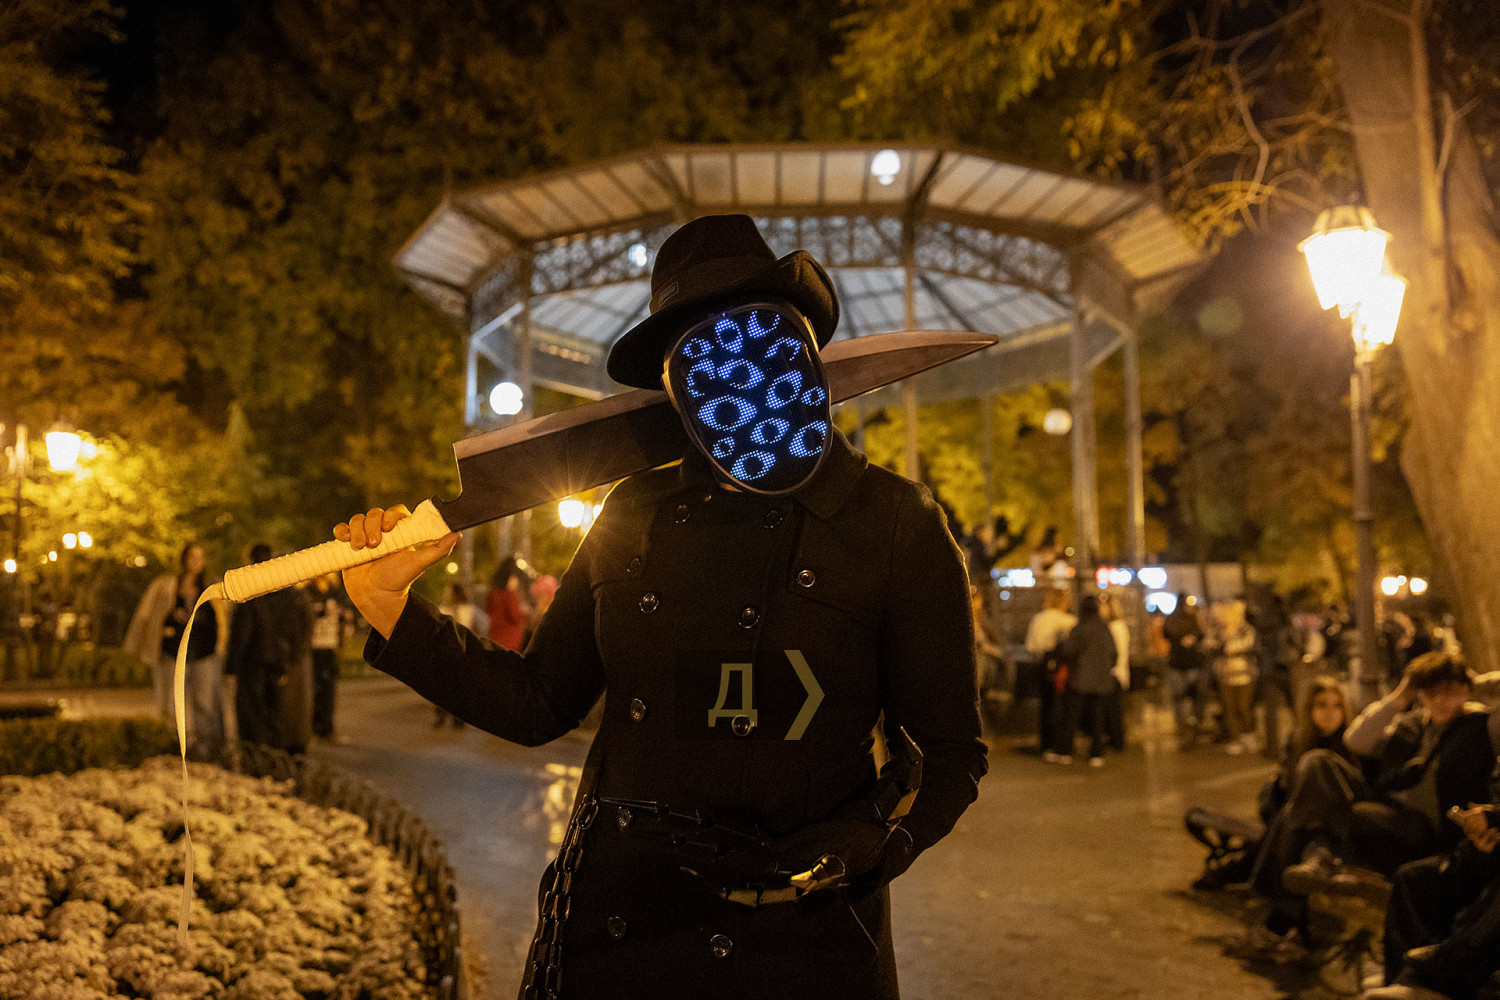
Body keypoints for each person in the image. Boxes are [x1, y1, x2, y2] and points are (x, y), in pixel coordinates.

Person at [333, 214, 988, 999]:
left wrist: (872, 840)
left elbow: (946, 754)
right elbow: (539, 701)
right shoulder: (631, 511)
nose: (738, 376)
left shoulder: (894, 522)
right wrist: (390, 608)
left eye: (758, 339)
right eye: (701, 354)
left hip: (798, 946)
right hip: (618, 931)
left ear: (805, 351)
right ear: (675, 385)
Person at [1252, 652, 1498, 922]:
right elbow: (1357, 740)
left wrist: (1478, 684)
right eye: (1431, 692)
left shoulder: (1479, 725)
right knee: (1317, 762)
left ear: (1466, 689)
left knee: (1302, 812)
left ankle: (1285, 907)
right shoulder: (1413, 724)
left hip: (1423, 828)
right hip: (1388, 809)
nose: (1440, 700)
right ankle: (1317, 863)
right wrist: (1401, 696)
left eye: (1449, 691)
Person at [123, 542, 225, 761]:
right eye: (192, 557)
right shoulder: (165, 585)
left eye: (200, 557)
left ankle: (205, 750)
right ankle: (172, 745)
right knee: (170, 701)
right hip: (173, 651)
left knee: (205, 703)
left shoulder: (211, 587)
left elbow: (220, 619)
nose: (196, 562)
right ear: (183, 559)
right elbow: (147, 614)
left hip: (203, 652)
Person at [226, 543, 313, 753]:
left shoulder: (250, 595)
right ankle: (277, 759)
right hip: (281, 663)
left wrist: (231, 667)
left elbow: (242, 634)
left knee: (253, 717)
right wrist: (292, 658)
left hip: (253, 664)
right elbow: (301, 630)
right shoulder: (290, 594)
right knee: (277, 715)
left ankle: (257, 759)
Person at [1057, 595, 1118, 767]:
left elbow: (1068, 651)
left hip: (1080, 680)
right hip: (1102, 681)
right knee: (1097, 718)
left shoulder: (1080, 628)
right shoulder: (1104, 628)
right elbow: (1113, 653)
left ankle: (1065, 751)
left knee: (1072, 717)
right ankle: (1096, 753)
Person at [1025, 587, 1077, 762]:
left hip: (1042, 667)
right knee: (1063, 708)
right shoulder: (1070, 621)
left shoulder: (1038, 619)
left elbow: (1030, 647)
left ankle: (1046, 745)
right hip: (1064, 669)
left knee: (1046, 707)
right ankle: (1062, 745)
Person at [1212, 599, 1259, 755]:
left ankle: (1248, 735)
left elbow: (1249, 646)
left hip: (1245, 674)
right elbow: (1215, 647)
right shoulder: (1220, 631)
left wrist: (1233, 646)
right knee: (1229, 707)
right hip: (1226, 675)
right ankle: (1235, 738)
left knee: (1244, 706)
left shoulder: (1246, 630)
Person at [308, 573, 350, 740]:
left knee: (329, 689)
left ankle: (327, 728)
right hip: (314, 647)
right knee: (313, 688)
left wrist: (343, 616)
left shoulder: (335, 592)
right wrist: (321, 612)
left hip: (331, 647)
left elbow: (343, 617)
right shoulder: (310, 591)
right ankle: (313, 727)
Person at [1164, 594, 1208, 746]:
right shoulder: (1183, 619)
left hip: (1186, 663)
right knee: (1184, 696)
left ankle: (1188, 725)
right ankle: (1187, 724)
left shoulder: (1181, 619)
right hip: (1183, 663)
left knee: (1188, 696)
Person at [1100, 592, 1131, 753]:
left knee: (1113, 711)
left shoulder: (1116, 626)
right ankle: (1114, 740)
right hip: (1115, 673)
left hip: (1114, 673)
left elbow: (1117, 652)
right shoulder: (1115, 626)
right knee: (1111, 711)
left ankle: (1117, 741)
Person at [486, 554, 532, 652]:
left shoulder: (493, 593)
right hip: (510, 640)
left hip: (494, 636)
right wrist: (525, 613)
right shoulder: (510, 595)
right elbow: (515, 616)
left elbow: (488, 611)